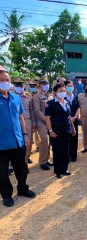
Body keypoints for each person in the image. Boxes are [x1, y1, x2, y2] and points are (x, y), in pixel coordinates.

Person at [0, 66, 36, 207]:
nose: (5, 82)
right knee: (2, 173)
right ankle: (6, 195)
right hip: (2, 144)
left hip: (18, 140)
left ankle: (22, 189)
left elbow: (21, 117)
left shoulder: (15, 97)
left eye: (7, 80)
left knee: (21, 168)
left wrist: (25, 134)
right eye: (2, 80)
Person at [45, 83, 76, 179]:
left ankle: (64, 169)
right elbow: (47, 118)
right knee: (57, 151)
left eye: (63, 91)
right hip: (56, 132)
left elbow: (69, 117)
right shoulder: (50, 104)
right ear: (55, 92)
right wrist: (50, 131)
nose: (63, 92)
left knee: (65, 151)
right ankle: (58, 171)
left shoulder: (66, 102)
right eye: (60, 91)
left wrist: (73, 128)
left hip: (66, 130)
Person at [13, 78, 35, 164]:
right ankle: (12, 164)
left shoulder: (28, 96)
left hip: (27, 121)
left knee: (28, 142)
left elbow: (32, 110)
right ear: (14, 86)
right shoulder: (10, 96)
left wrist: (34, 122)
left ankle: (25, 161)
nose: (19, 87)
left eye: (21, 85)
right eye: (17, 85)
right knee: (15, 142)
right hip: (15, 123)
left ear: (24, 86)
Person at [32, 78, 53, 170]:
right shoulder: (36, 97)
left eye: (46, 83)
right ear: (39, 86)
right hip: (41, 121)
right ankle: (42, 161)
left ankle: (47, 159)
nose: (45, 85)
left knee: (50, 141)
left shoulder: (50, 96)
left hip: (51, 121)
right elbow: (37, 111)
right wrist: (46, 119)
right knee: (45, 139)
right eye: (43, 84)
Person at [65, 80, 80, 162]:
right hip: (66, 120)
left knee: (75, 137)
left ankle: (74, 156)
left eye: (71, 86)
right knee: (67, 138)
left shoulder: (75, 97)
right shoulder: (63, 97)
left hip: (74, 119)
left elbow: (78, 107)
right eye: (68, 86)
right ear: (65, 87)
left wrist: (75, 117)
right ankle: (67, 156)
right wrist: (69, 117)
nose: (70, 87)